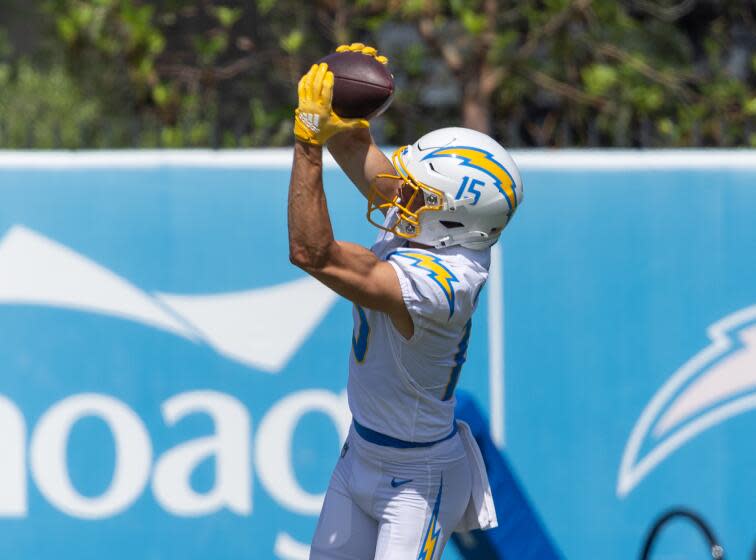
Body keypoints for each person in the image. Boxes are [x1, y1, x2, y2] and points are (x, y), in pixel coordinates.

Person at [288, 43, 523, 560]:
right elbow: (359, 156)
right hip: (360, 453)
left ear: (455, 219)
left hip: (418, 480)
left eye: (419, 195)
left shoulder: (445, 283)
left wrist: (307, 145)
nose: (401, 197)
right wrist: (338, 97)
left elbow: (313, 253)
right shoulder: (445, 225)